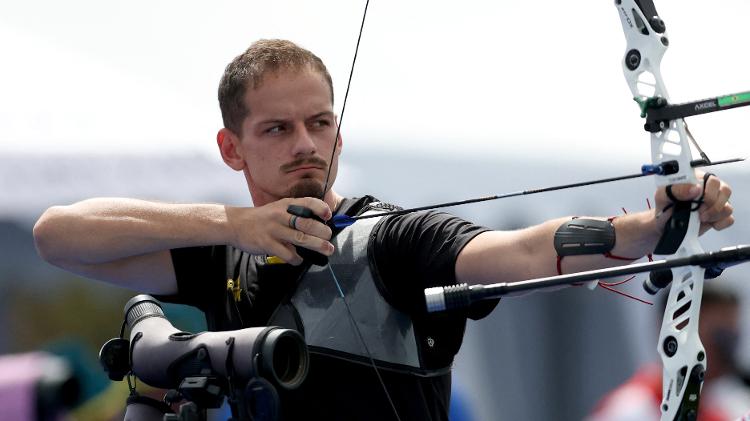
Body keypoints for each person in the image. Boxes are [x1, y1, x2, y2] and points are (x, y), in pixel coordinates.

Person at [32, 39, 735, 421]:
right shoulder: (228, 251)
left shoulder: (394, 240)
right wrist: (234, 221)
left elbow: (515, 250)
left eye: (320, 121)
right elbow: (57, 233)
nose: (306, 142)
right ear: (232, 149)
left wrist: (651, 224)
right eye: (277, 128)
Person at [587, 283, 750, 421]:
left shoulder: (732, 404)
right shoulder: (630, 410)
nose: (729, 351)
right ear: (677, 331)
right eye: (721, 336)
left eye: (733, 337)